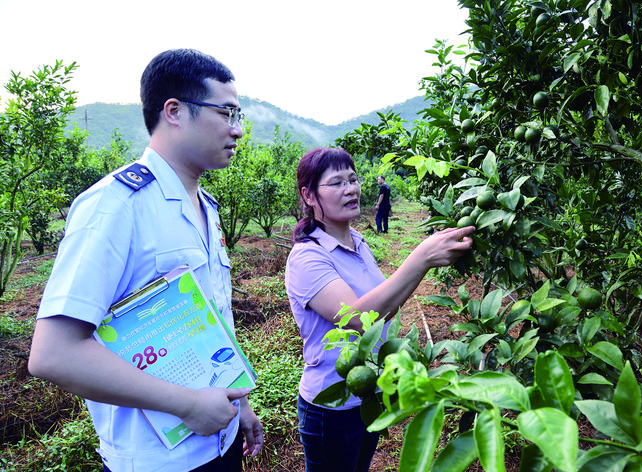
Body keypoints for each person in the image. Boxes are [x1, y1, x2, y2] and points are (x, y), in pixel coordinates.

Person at [28, 49, 263, 472]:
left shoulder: (206, 206)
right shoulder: (116, 206)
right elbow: (54, 354)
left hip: (221, 442)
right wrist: (188, 404)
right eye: (227, 113)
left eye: (239, 115)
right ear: (174, 111)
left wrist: (240, 402)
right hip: (159, 461)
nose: (238, 130)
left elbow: (212, 318)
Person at [285, 148, 475, 472]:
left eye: (353, 179)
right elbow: (358, 319)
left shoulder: (358, 242)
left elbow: (386, 305)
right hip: (331, 406)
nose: (351, 189)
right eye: (337, 183)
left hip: (367, 394)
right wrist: (421, 257)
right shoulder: (307, 258)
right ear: (309, 195)